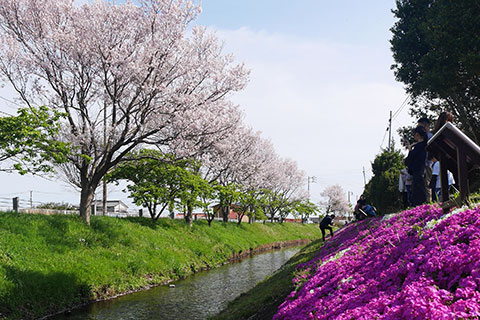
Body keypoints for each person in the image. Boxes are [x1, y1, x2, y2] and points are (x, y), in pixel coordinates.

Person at [405, 126, 428, 206]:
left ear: (417, 135)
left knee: (417, 192)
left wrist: (410, 149)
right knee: (419, 190)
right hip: (420, 171)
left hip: (418, 171)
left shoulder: (419, 146)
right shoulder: (423, 145)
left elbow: (410, 158)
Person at [417, 117, 433, 200]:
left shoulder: (430, 136)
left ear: (426, 126)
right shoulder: (424, 137)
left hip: (429, 163)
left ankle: (429, 201)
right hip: (424, 163)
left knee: (428, 183)